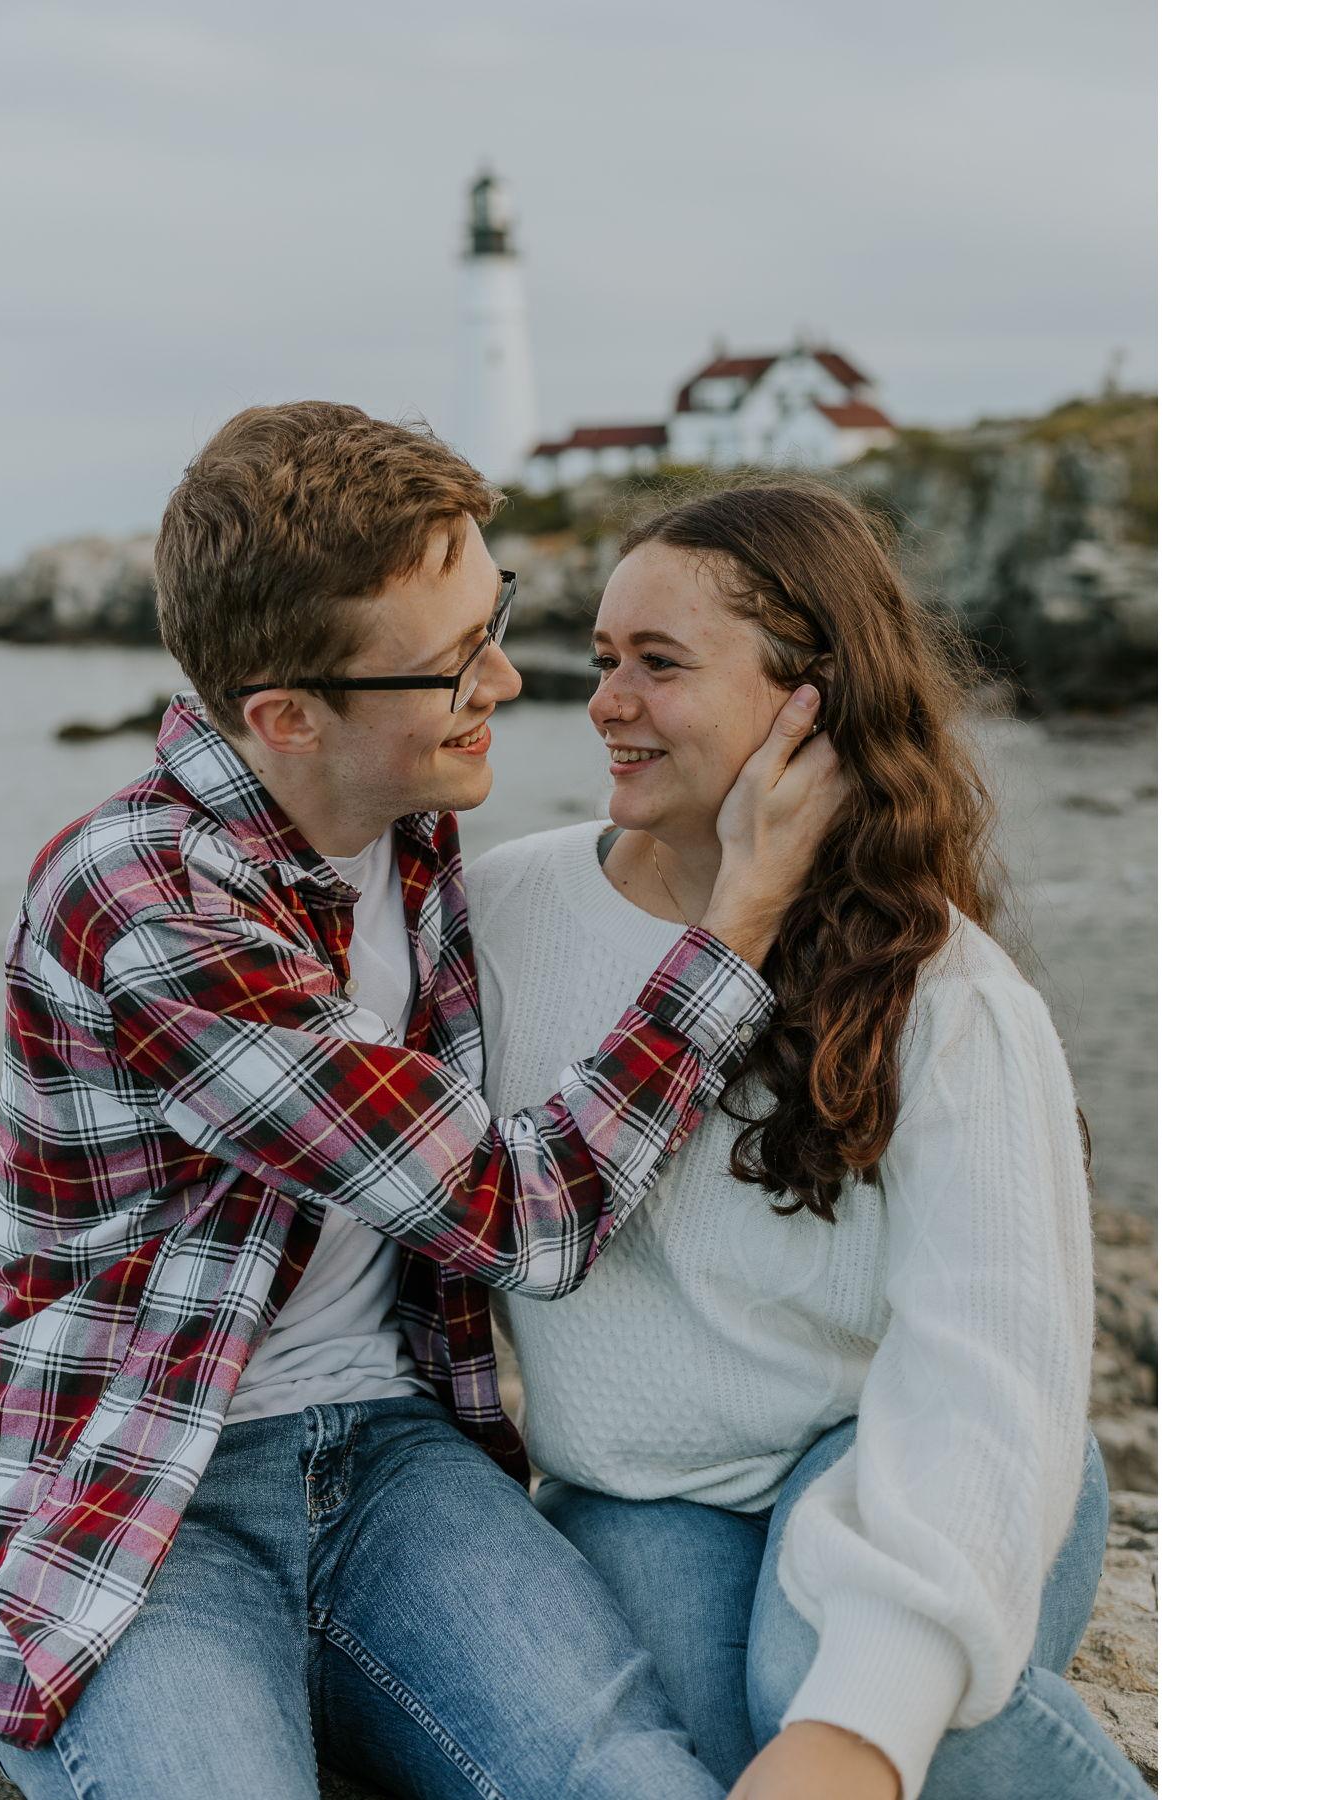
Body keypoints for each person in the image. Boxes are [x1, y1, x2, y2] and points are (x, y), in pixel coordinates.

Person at [0, 405, 845, 1799]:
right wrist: (734, 931)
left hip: (390, 1452)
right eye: (450, 665)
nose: (505, 677)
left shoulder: (406, 824)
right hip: (143, 1489)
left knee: (630, 1778)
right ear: (287, 717)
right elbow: (521, 1215)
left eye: (497, 613)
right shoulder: (145, 904)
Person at [466, 479, 1152, 1800]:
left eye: (659, 666)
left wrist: (861, 1718)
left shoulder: (949, 995)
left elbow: (984, 1367)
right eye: (605, 659)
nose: (605, 701)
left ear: (808, 705)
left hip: (909, 1445)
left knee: (844, 1706)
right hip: (645, 1498)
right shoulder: (501, 916)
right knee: (722, 1762)